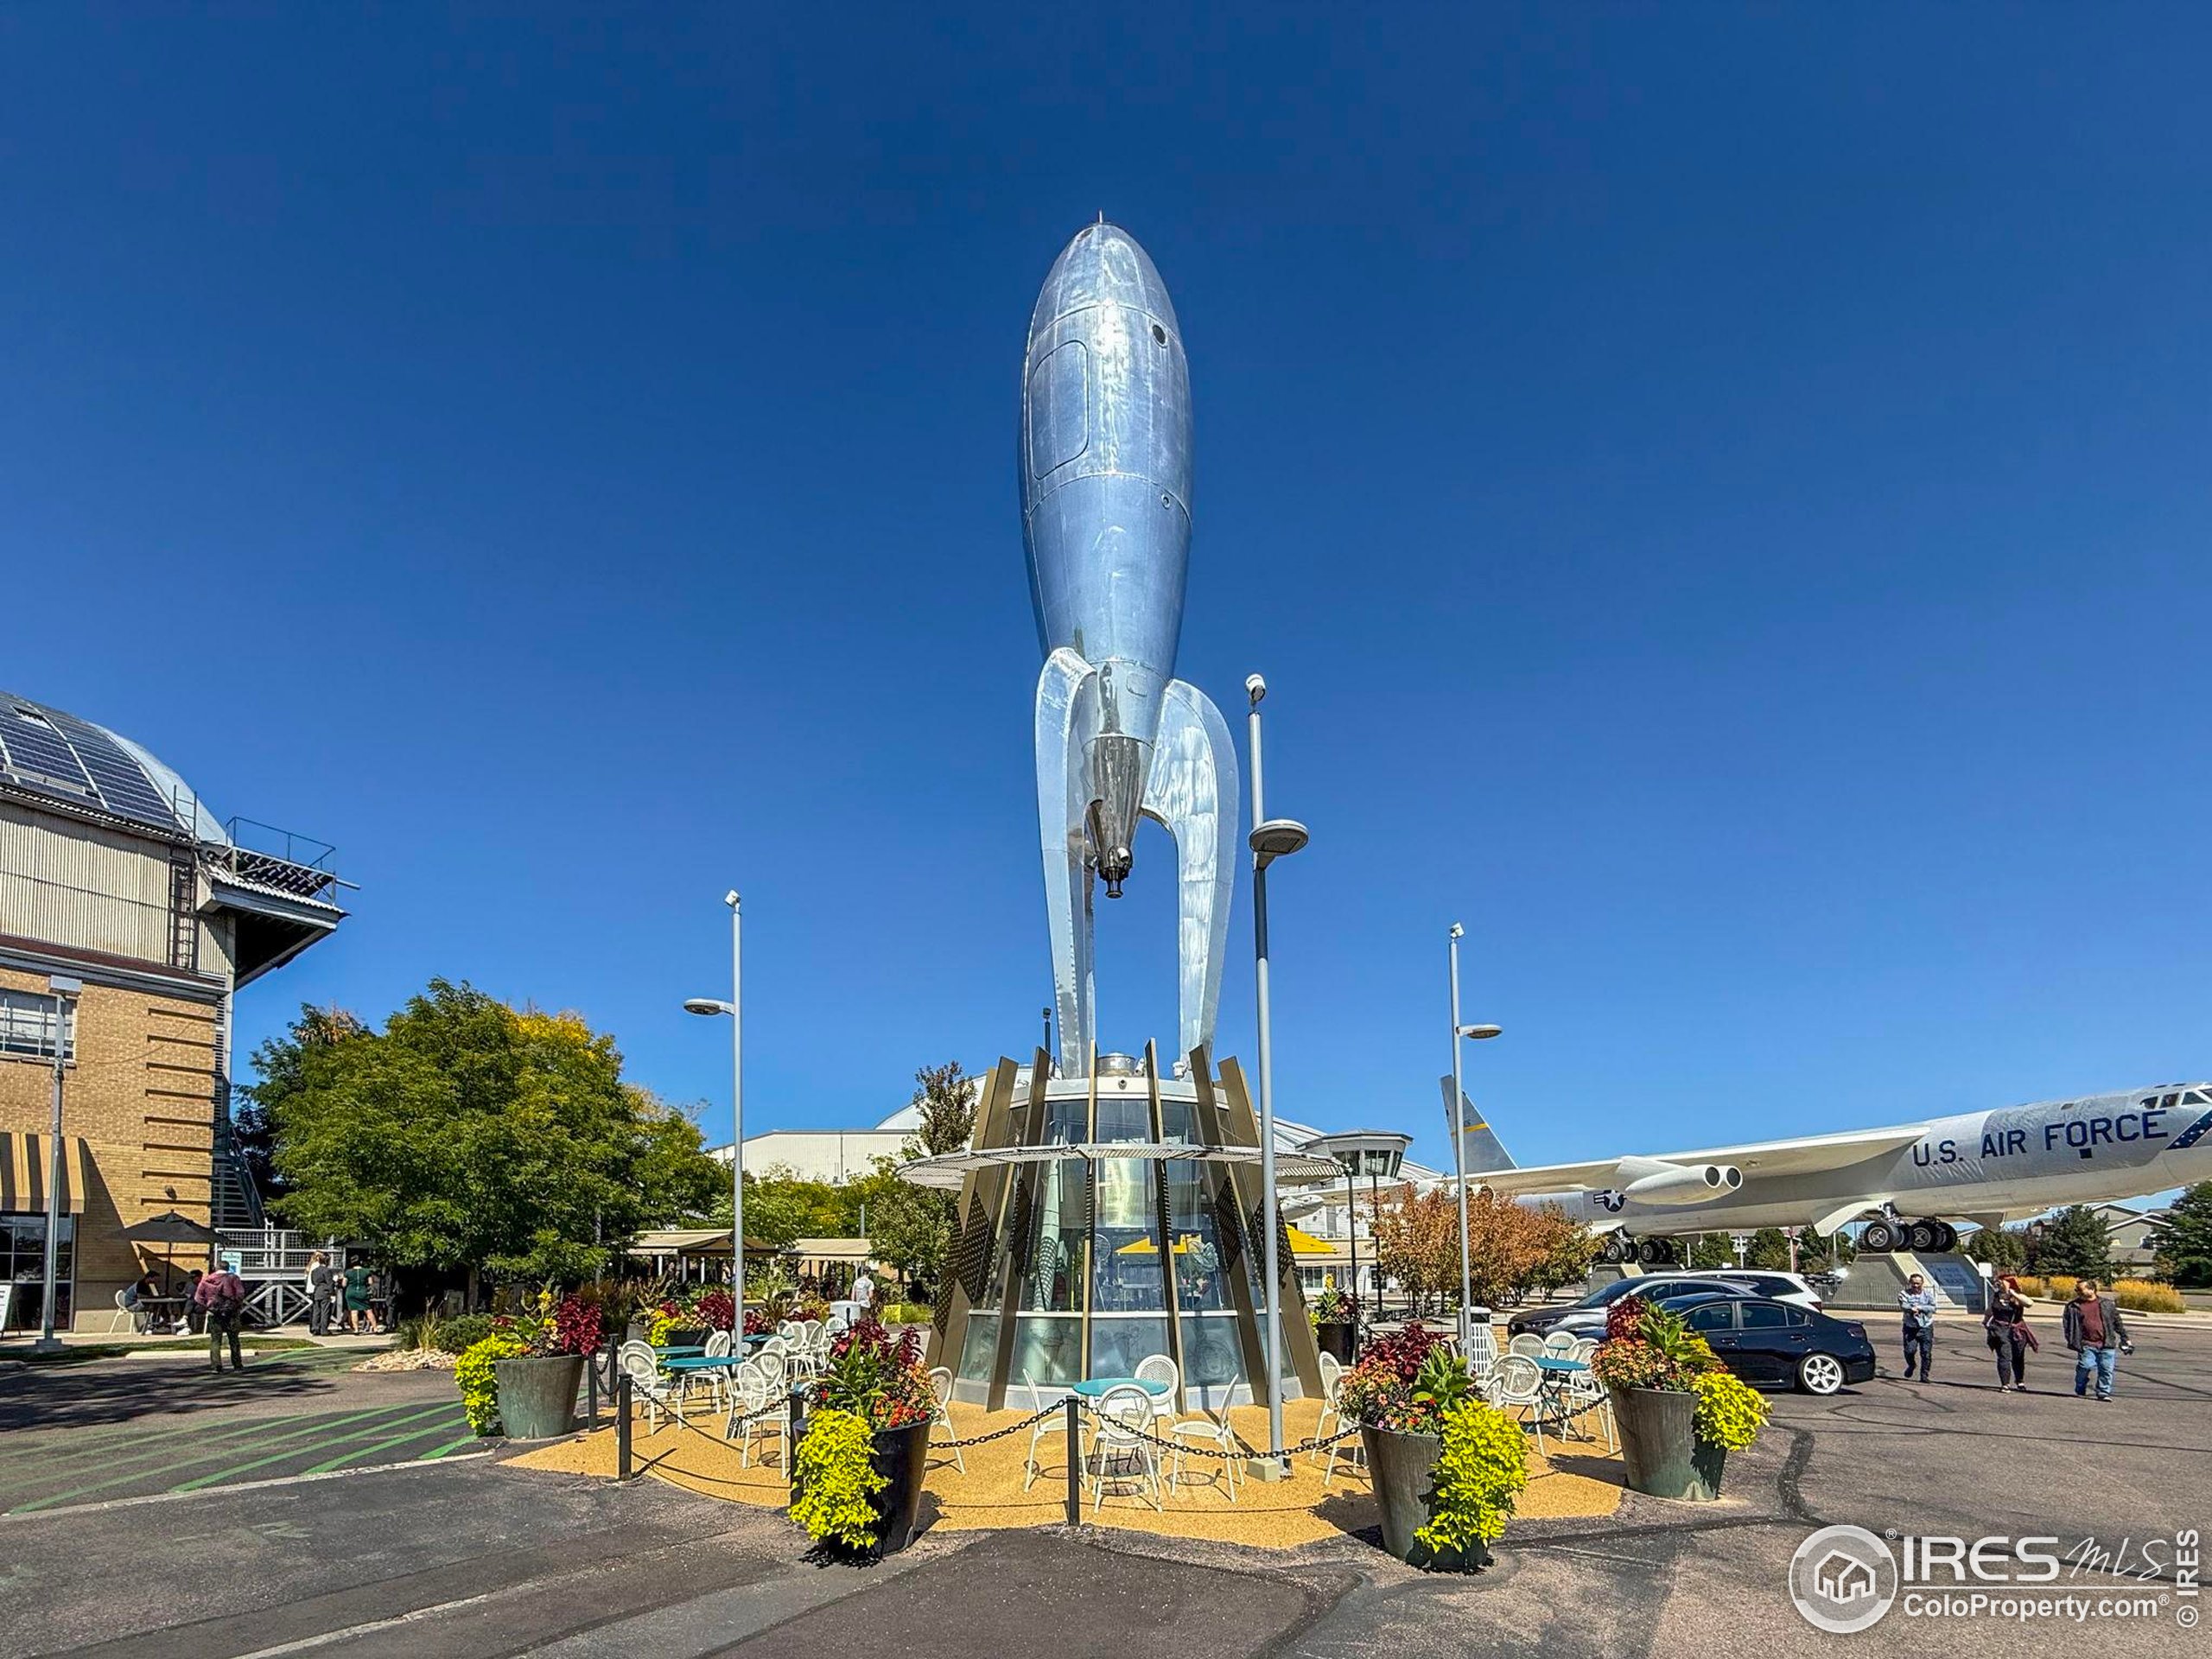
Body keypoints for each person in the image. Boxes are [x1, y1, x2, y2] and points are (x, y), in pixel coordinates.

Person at [2063, 1279, 2133, 1401]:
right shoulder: (2073, 1306)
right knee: (2085, 1366)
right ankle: (2080, 1385)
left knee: (2106, 1369)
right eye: (2076, 1289)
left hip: (2106, 1343)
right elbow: (2067, 1324)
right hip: (2086, 1343)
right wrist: (2072, 1339)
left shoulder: (2106, 1304)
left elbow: (2117, 1322)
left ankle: (2103, 1392)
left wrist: (2125, 1338)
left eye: (2080, 1289)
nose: (2077, 1292)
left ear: (2092, 1290)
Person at [1984, 1273, 2037, 1392]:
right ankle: (2005, 1384)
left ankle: (2020, 1381)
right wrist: (1986, 1323)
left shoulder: (2017, 1296)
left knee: (2018, 1357)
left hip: (2017, 1330)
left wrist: (2013, 1293)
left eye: (2002, 1281)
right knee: (2004, 1356)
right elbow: (1989, 1311)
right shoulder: (1996, 1296)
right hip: (1999, 1329)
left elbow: (2029, 1303)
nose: (2000, 1283)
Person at [196, 1263, 248, 1371]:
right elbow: (240, 1294)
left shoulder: (206, 1280)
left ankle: (216, 1366)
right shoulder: (233, 1278)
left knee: (215, 1340)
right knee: (234, 1339)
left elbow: (198, 1297)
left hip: (214, 1312)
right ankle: (237, 1365)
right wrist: (236, 1304)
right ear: (228, 1268)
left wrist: (208, 1306)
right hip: (231, 1312)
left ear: (215, 1268)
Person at [1898, 1274, 1938, 1381]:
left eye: (1918, 1283)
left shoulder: (1928, 1294)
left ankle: (1924, 1375)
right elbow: (1903, 1305)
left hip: (1925, 1327)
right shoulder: (1904, 1294)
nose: (1915, 1286)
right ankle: (1911, 1365)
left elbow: (1933, 1308)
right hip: (1910, 1327)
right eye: (1913, 1283)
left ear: (1922, 1283)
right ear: (1910, 1283)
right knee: (1909, 1351)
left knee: (1926, 1353)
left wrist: (1920, 1308)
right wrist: (1912, 1309)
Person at [306, 1251, 334, 1336]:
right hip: (325, 1292)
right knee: (325, 1311)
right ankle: (324, 1329)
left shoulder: (314, 1271)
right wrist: (332, 1292)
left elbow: (313, 1281)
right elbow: (330, 1283)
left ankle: (315, 1328)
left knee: (316, 1311)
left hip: (317, 1291)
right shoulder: (327, 1271)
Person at [342, 1260, 372, 1334]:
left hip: (351, 1292)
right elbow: (370, 1282)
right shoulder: (367, 1271)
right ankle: (375, 1328)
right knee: (368, 1310)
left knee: (354, 1311)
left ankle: (356, 1329)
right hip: (362, 1292)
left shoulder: (348, 1272)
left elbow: (344, 1284)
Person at [181, 1268, 207, 1336]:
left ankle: (185, 1320)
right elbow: (184, 1293)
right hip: (193, 1305)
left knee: (191, 1301)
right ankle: (186, 1323)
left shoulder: (203, 1285)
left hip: (203, 1306)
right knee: (189, 1302)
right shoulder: (189, 1285)